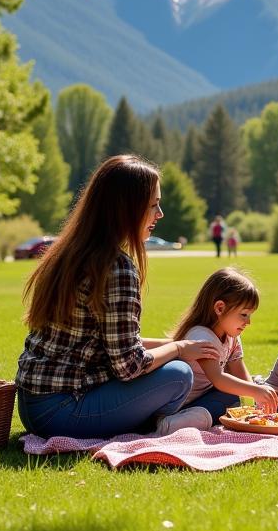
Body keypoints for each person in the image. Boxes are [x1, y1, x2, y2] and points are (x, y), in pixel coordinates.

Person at [15, 155, 220, 439]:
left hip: (31, 406)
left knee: (177, 364)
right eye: (153, 205)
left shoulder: (70, 253)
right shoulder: (116, 268)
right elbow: (128, 366)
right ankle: (165, 424)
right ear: (127, 209)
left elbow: (111, 344)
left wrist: (177, 343)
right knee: (179, 374)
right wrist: (179, 349)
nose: (159, 214)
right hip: (64, 411)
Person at [170, 267, 278, 428]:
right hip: (178, 405)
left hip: (203, 398)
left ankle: (193, 420)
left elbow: (239, 373)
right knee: (228, 398)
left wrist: (258, 397)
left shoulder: (231, 337)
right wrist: (256, 391)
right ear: (220, 308)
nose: (248, 322)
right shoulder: (201, 337)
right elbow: (218, 378)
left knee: (232, 398)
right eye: (244, 315)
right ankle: (175, 424)